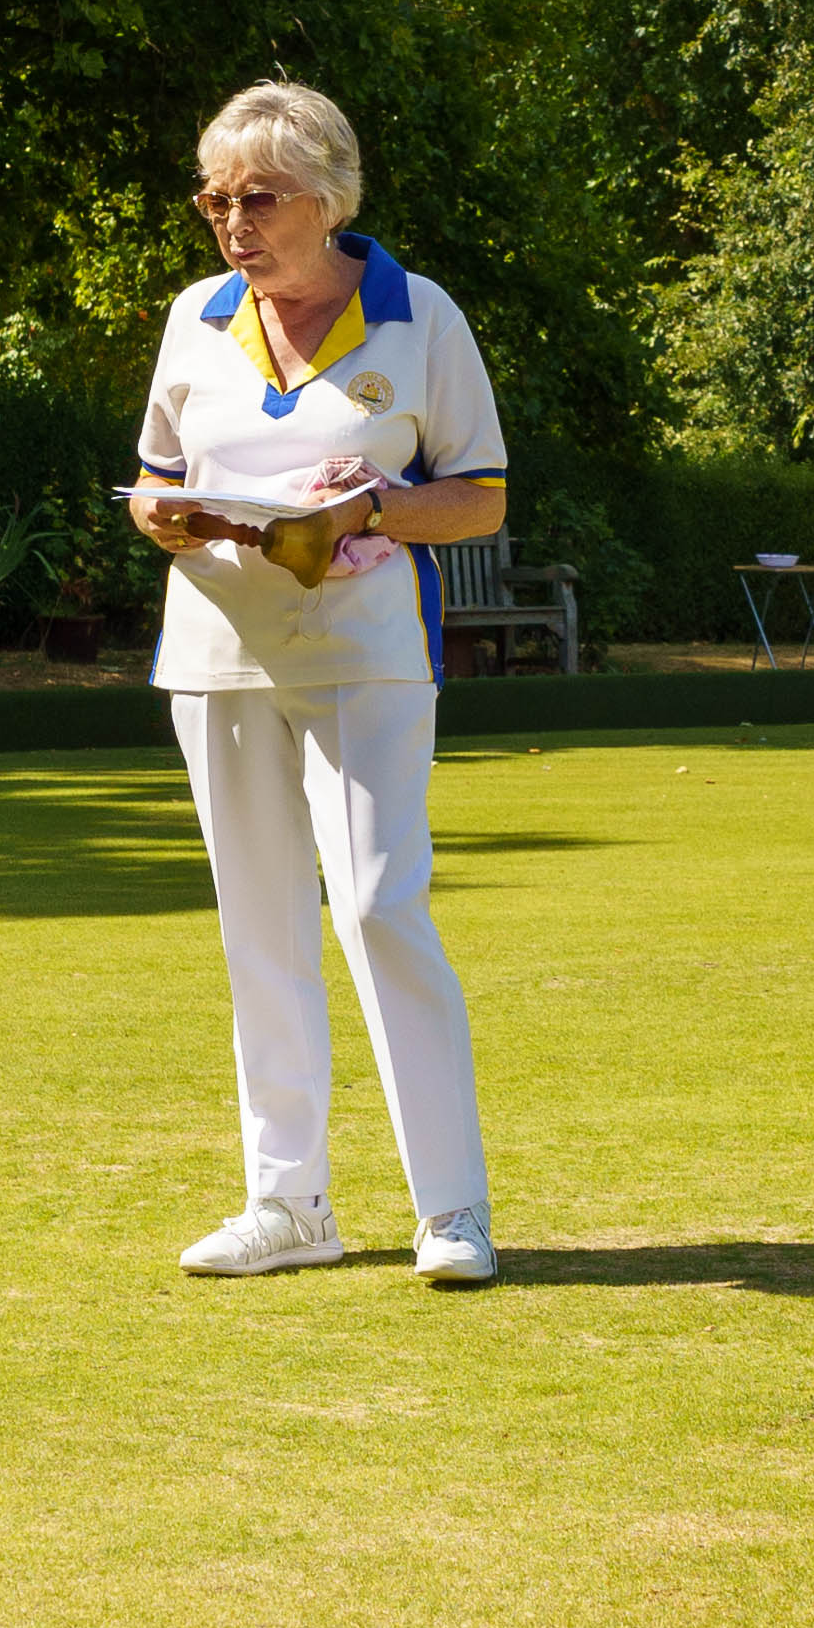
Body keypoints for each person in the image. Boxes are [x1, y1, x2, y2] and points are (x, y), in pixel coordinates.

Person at [127, 79, 513, 1288]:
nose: (231, 222)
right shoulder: (195, 316)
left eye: (258, 198)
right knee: (259, 927)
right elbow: (150, 477)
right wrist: (162, 515)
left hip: (365, 648)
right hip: (215, 649)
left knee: (378, 907)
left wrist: (377, 508)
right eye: (215, 199)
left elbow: (482, 494)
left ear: (329, 199)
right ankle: (285, 1204)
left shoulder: (421, 315)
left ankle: (450, 1209)